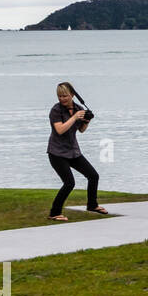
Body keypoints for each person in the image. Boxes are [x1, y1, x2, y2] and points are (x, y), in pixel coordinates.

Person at [48, 82, 107, 220]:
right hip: (57, 153)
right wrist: (74, 117)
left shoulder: (78, 108)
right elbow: (60, 130)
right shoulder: (56, 110)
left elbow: (81, 130)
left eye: (65, 96)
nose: (62, 99)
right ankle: (54, 213)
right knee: (69, 183)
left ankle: (92, 205)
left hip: (73, 152)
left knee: (93, 176)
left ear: (72, 95)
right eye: (59, 96)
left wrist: (87, 121)